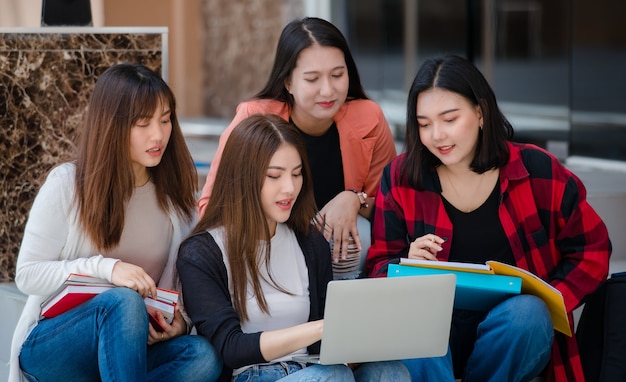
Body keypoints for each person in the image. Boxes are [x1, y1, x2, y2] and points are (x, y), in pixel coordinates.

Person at [365, 55, 611, 382]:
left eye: (449, 119)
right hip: (433, 334)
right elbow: (378, 266)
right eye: (424, 124)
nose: (437, 135)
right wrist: (404, 264)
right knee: (412, 313)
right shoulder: (400, 178)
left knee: (529, 312)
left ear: (480, 113)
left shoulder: (538, 172)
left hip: (512, 332)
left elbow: (592, 249)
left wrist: (551, 299)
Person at [10, 63, 222, 382]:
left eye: (165, 120)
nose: (158, 134)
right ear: (112, 125)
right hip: (57, 347)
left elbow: (181, 288)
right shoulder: (67, 185)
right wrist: (108, 269)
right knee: (122, 301)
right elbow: (28, 275)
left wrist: (178, 324)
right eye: (143, 123)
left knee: (202, 357)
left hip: (129, 350)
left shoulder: (176, 200)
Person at [177, 114, 410, 381]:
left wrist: (362, 340)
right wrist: (321, 329)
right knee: (333, 377)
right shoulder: (202, 252)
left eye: (297, 174)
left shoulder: (310, 241)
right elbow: (231, 348)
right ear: (242, 178)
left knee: (390, 371)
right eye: (274, 176)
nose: (289, 188)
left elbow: (326, 346)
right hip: (253, 374)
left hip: (313, 368)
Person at [197, 17, 397, 279]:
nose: (328, 90)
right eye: (312, 78)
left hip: (335, 252)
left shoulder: (368, 118)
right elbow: (212, 205)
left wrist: (353, 199)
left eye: (337, 75)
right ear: (288, 83)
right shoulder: (254, 119)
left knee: (361, 234)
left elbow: (390, 207)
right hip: (265, 243)